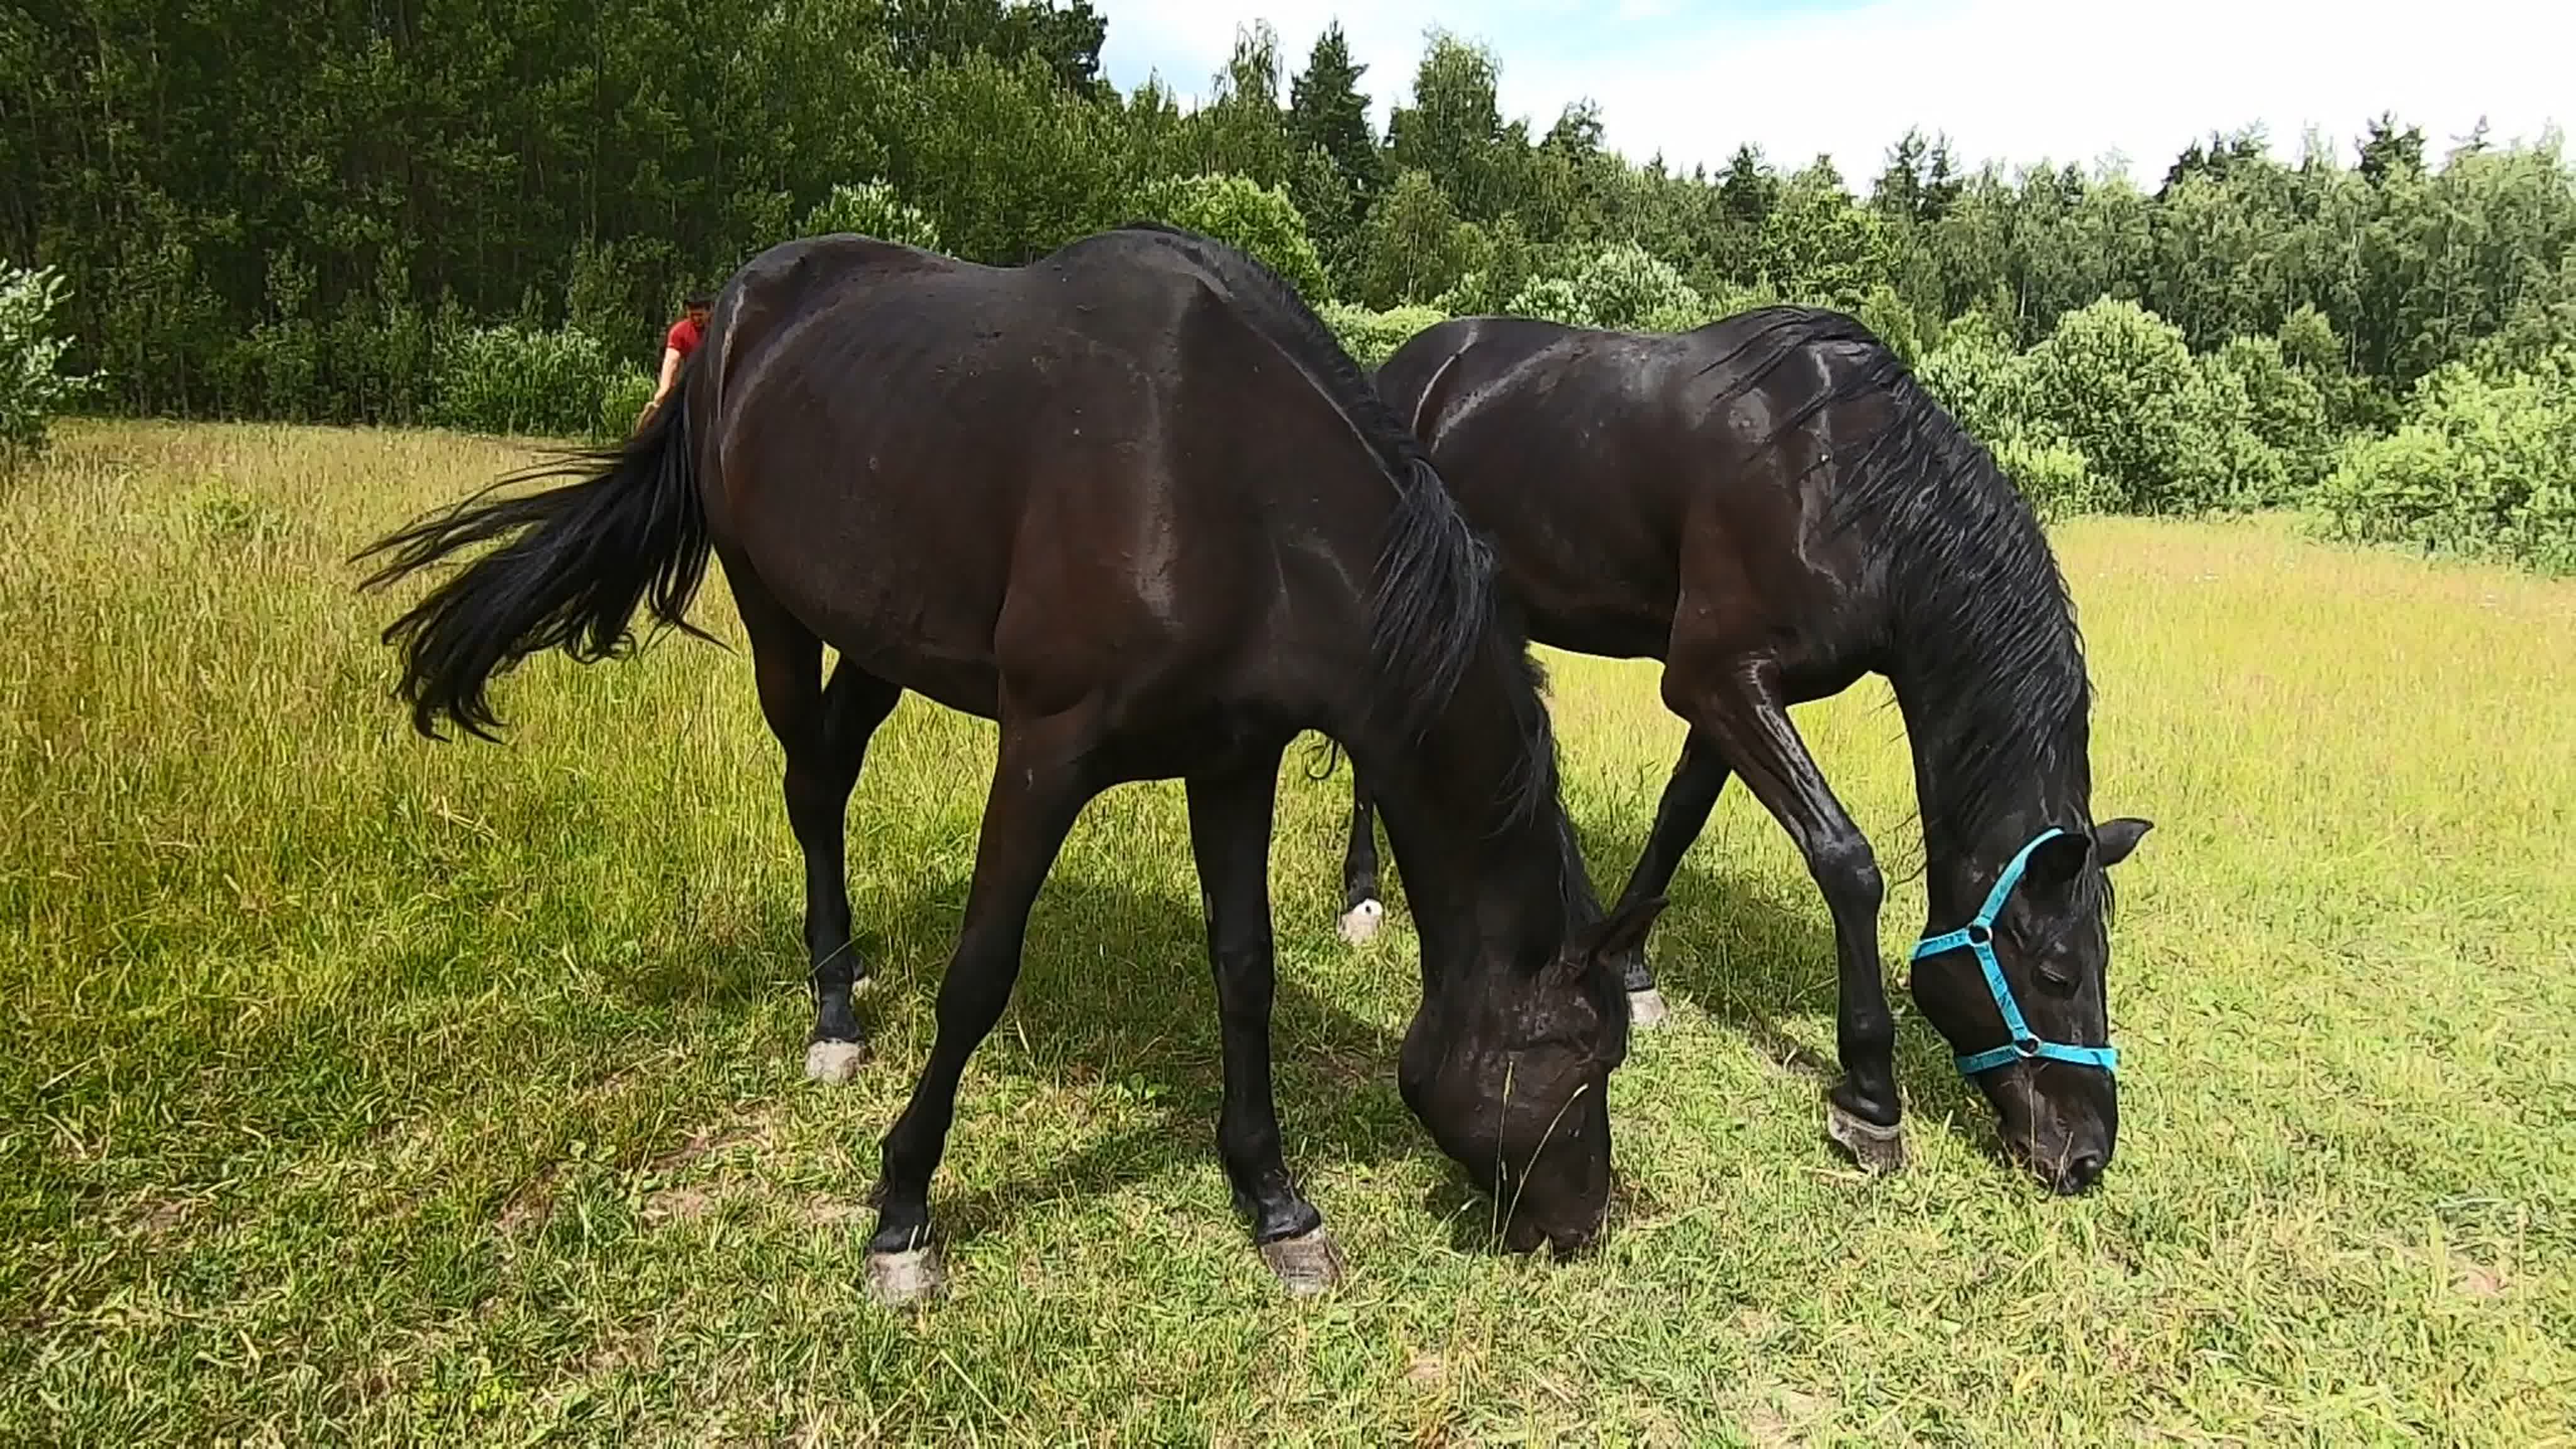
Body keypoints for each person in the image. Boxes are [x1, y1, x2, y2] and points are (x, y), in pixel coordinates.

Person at [636, 294, 711, 431]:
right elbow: (672, 359)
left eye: (700, 315)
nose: (696, 319)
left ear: (709, 311)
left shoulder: (717, 330)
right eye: (692, 315)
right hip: (690, 377)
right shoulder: (679, 332)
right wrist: (663, 390)